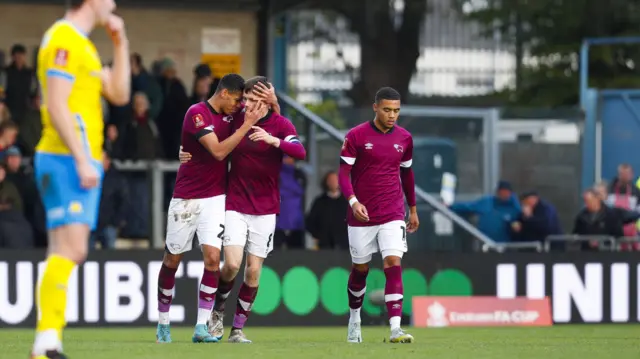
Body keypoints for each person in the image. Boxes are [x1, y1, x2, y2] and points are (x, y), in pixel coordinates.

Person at [31, 0, 130, 357]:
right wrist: (82, 160)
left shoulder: (84, 45)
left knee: (61, 251)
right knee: (72, 250)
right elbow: (55, 104)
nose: (113, 4)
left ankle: (48, 340)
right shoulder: (64, 39)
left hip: (69, 159)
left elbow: (119, 94)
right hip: (65, 159)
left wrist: (120, 42)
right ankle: (46, 340)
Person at [179, 77, 304, 343]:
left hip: (266, 208)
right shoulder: (236, 121)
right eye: (245, 98)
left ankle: (237, 330)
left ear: (267, 101)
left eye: (253, 100)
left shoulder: (281, 125)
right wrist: (184, 152)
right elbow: (208, 140)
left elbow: (300, 151)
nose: (246, 104)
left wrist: (274, 141)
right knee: (232, 265)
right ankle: (218, 309)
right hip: (235, 203)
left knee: (253, 272)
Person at [155, 74, 267, 344]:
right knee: (172, 260)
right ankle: (163, 324)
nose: (240, 105)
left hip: (216, 197)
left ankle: (201, 327)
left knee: (212, 260)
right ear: (225, 93)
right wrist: (246, 126)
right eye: (238, 99)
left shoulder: (236, 113)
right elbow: (217, 152)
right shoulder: (197, 113)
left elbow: (267, 115)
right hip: (186, 197)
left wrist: (266, 103)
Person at [338, 87, 418, 344]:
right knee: (360, 269)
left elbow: (407, 174)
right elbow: (343, 174)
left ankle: (395, 328)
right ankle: (354, 318)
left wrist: (413, 208)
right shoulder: (356, 136)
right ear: (375, 107)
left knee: (393, 264)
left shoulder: (405, 138)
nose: (392, 115)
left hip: (393, 212)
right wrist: (353, 202)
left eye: (396, 110)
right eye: (387, 110)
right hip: (361, 215)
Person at [306, 170, 349, 249]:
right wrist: (317, 235)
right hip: (324, 245)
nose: (333, 182)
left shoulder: (347, 201)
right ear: (326, 182)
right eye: (330, 180)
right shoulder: (319, 201)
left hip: (344, 245)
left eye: (335, 180)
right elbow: (310, 221)